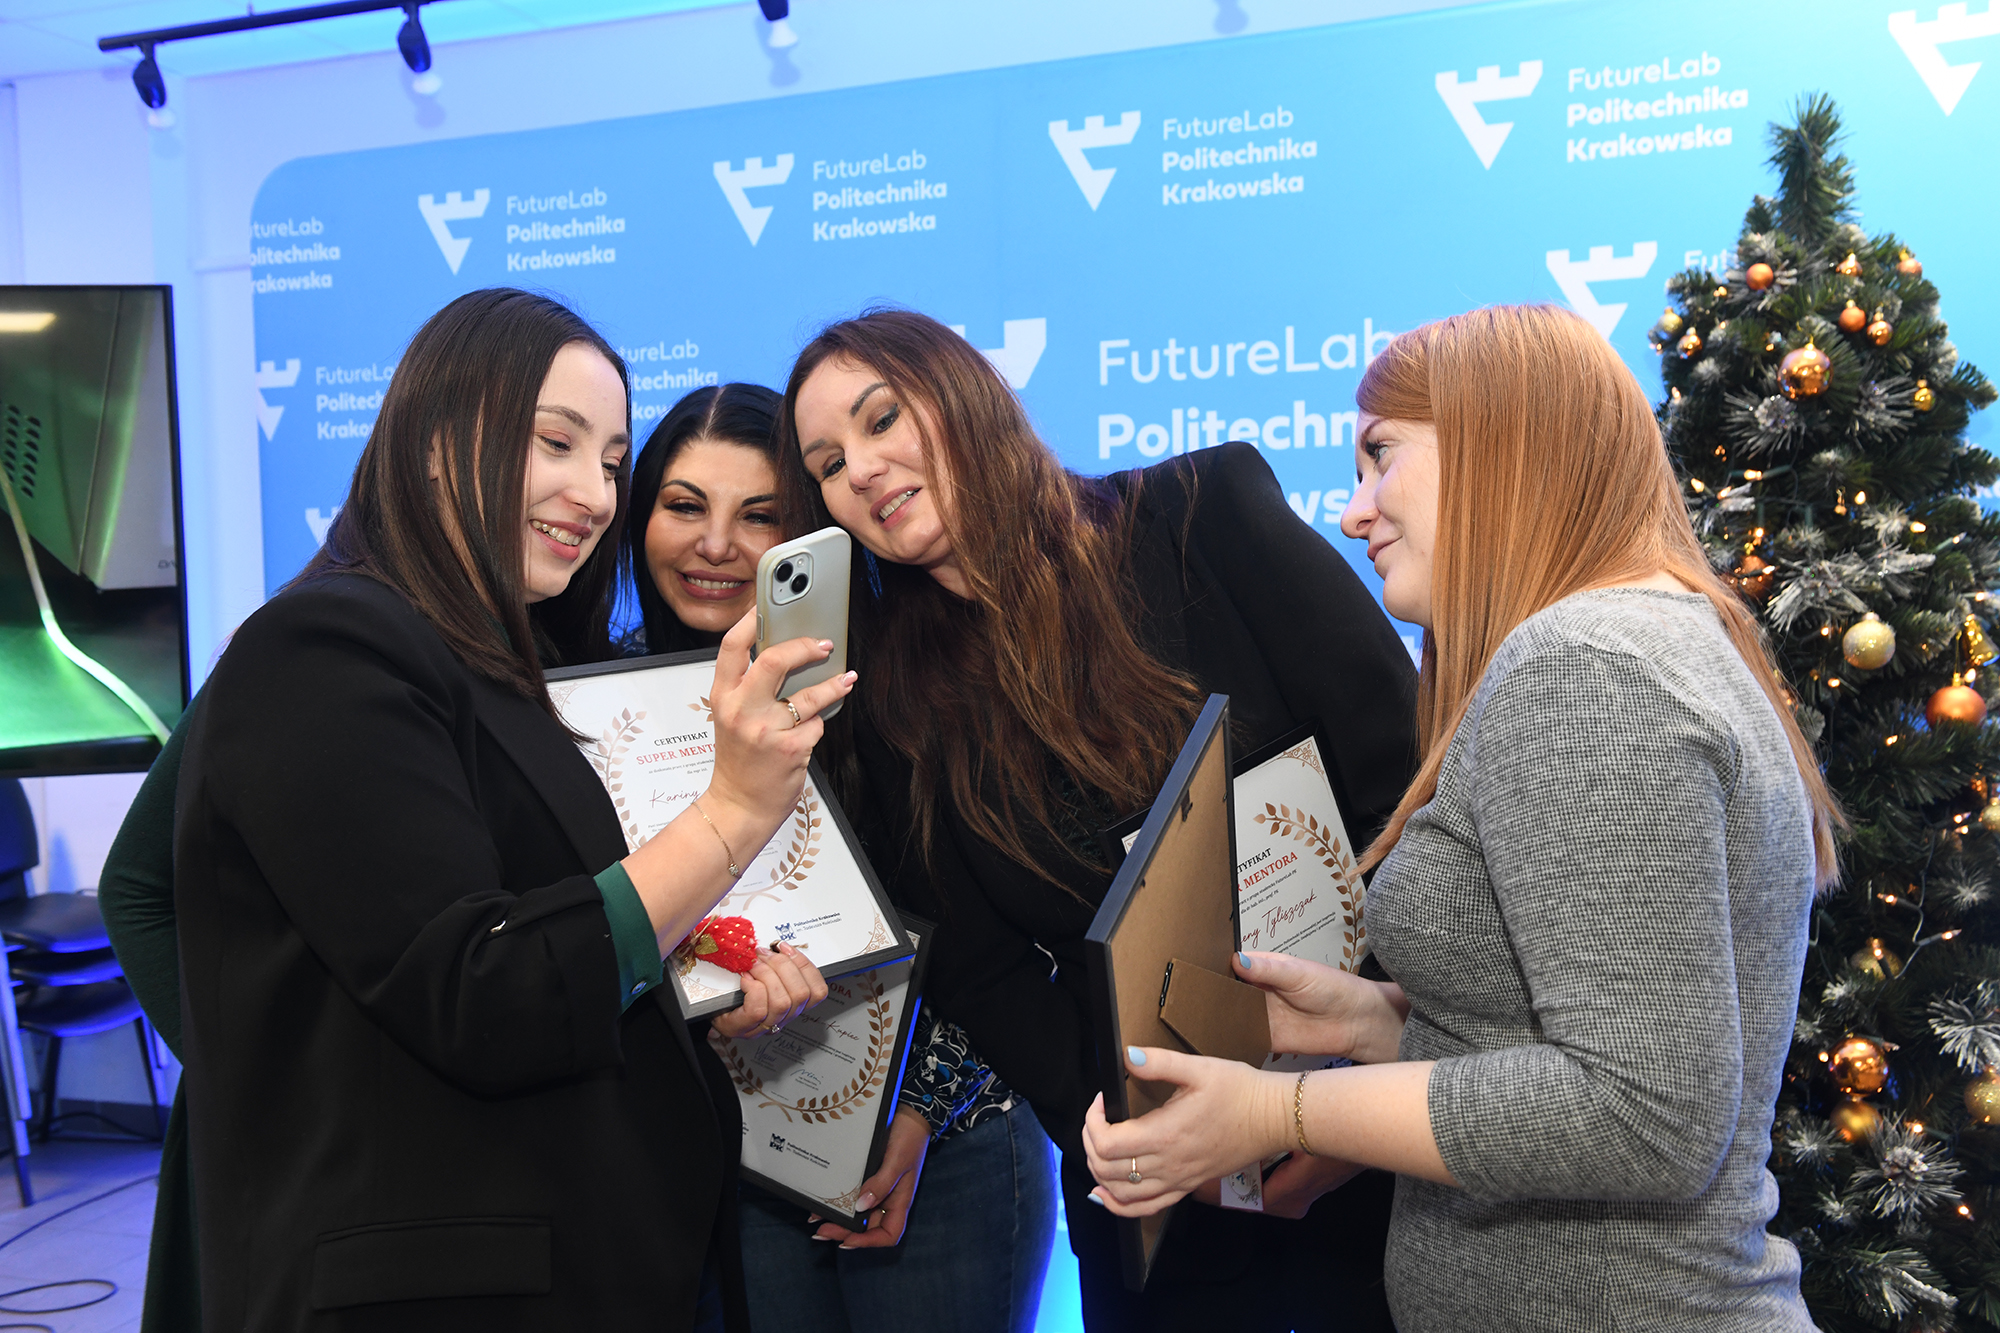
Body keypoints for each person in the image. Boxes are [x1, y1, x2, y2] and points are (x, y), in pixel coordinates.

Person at [1080, 304, 1840, 1331]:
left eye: (1380, 456)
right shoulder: (1642, 638)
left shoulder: (1585, 665)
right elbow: (1592, 1046)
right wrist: (1382, 1023)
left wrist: (1276, 1108)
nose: (1354, 512)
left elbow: (1644, 1118)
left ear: (1498, 438)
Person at [158, 288, 850, 1330]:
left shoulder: (500, 661)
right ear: (440, 440)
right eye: (554, 442)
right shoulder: (324, 648)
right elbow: (484, 986)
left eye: (610, 461)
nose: (592, 493)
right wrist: (734, 812)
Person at [773, 308, 1421, 1331]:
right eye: (825, 463)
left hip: (1383, 1127)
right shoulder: (887, 700)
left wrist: (1349, 1092)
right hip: (1158, 1191)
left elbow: (1400, 778)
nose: (859, 468)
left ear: (966, 394)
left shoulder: (1204, 513)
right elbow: (981, 971)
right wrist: (1136, 1133)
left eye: (881, 417)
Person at [623, 382, 1060, 1333]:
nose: (715, 545)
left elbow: (1014, 928)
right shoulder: (599, 711)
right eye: (684, 505)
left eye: (760, 516)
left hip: (944, 1145)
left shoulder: (905, 676)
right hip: (739, 1153)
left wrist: (919, 1109)